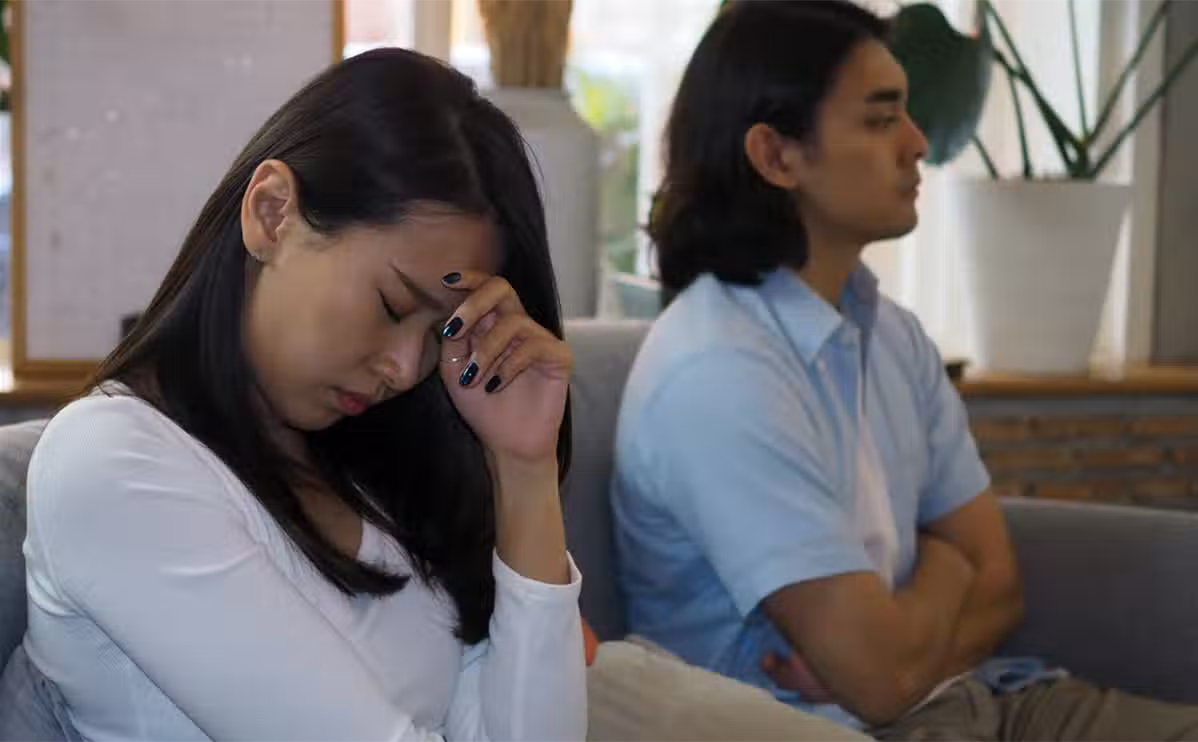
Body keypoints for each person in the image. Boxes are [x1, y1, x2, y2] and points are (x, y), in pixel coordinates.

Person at [611, 1, 1198, 740]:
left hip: (994, 697)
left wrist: (908, 635)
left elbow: (999, 588)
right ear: (777, 156)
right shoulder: (718, 374)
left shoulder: (891, 334)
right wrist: (948, 568)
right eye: (882, 119)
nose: (919, 143)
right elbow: (879, 682)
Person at [0, 48, 586, 742]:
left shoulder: (378, 471)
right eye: (393, 306)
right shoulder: (113, 463)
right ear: (272, 213)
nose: (405, 367)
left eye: (440, 332)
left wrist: (523, 468)